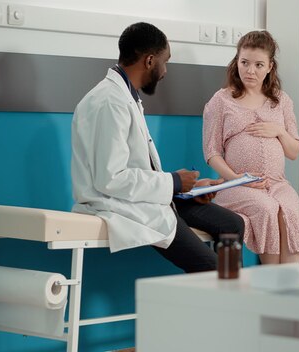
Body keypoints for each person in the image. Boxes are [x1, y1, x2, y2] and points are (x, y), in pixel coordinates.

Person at [71, 22, 244, 273]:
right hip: (118, 206)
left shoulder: (125, 96)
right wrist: (173, 182)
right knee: (214, 269)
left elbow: (134, 168)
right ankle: (228, 301)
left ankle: (234, 301)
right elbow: (110, 179)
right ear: (150, 61)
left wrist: (188, 188)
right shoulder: (110, 102)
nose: (165, 71)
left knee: (232, 223)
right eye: (166, 62)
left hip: (141, 198)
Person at [202, 30, 299, 264]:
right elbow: (211, 153)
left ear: (270, 66)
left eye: (259, 65)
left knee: (289, 209)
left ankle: (290, 286)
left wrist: (278, 131)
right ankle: (273, 281)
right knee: (267, 208)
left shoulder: (281, 101)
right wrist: (237, 178)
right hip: (236, 186)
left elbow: (293, 152)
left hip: (277, 183)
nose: (250, 71)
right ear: (236, 62)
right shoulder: (221, 101)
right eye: (245, 63)